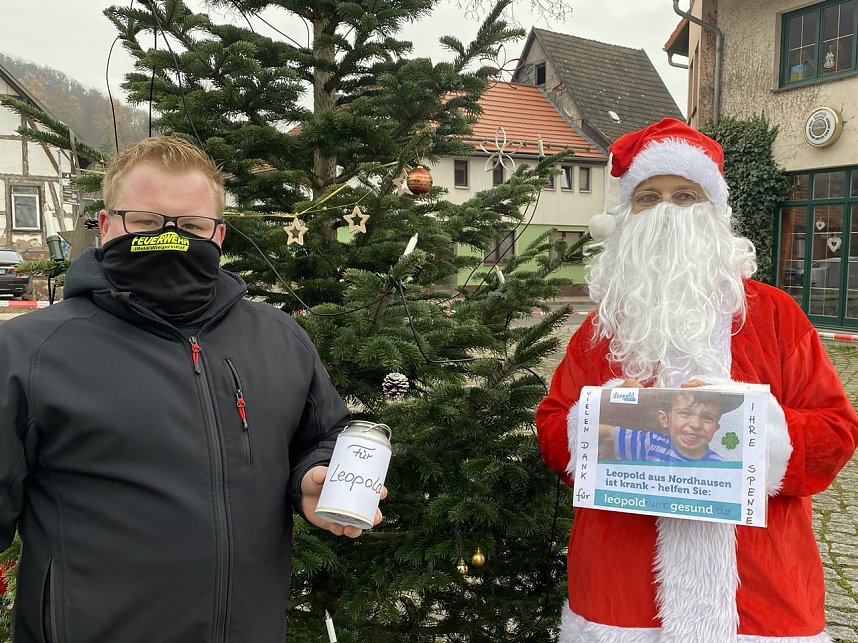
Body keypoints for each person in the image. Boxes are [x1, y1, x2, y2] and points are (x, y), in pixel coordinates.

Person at [0, 136, 382, 642]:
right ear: (108, 224)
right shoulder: (28, 351)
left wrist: (314, 473)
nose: (170, 239)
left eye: (192, 227)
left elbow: (324, 434)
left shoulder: (279, 338)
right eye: (146, 223)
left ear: (218, 235)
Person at [536, 118, 858, 642]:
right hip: (623, 592)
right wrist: (599, 424)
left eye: (685, 196)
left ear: (713, 212)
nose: (667, 212)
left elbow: (835, 431)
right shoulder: (601, 329)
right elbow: (553, 428)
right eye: (649, 197)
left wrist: (756, 432)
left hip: (758, 589)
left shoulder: (773, 315)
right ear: (628, 214)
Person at [599, 389, 743, 463]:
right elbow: (605, 432)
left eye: (707, 418)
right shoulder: (650, 443)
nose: (696, 425)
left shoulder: (717, 465)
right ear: (664, 419)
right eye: (686, 413)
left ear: (715, 429)